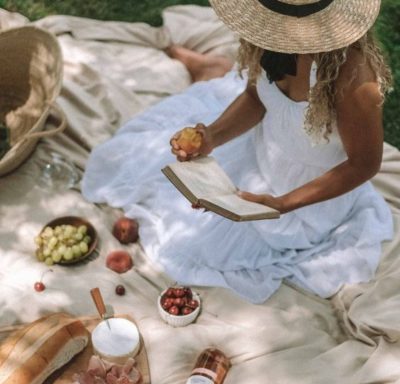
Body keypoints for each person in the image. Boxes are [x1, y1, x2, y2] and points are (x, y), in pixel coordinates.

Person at [82, 0, 393, 303]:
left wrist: (282, 204)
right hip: (261, 152)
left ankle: (207, 67)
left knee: (191, 249)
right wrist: (213, 136)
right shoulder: (270, 36)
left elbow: (364, 164)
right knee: (130, 163)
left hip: (305, 197)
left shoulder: (354, 80)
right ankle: (208, 67)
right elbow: (257, 97)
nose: (275, 30)